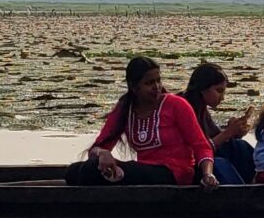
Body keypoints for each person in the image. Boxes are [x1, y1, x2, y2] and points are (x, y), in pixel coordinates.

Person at [69, 57, 216, 186]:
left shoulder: (176, 105)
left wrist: (207, 175)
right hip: (143, 170)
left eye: (158, 81)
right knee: (74, 171)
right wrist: (102, 153)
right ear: (134, 87)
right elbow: (96, 148)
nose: (156, 87)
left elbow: (202, 146)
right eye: (149, 83)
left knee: (90, 171)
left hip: (175, 173)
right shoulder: (125, 108)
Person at [183, 61, 256, 185]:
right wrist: (228, 133)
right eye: (219, 90)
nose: (222, 97)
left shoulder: (202, 109)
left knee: (240, 146)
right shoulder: (184, 108)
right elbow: (201, 148)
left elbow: (215, 139)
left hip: (204, 157)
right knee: (220, 164)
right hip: (191, 162)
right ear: (202, 88)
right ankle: (242, 195)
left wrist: (234, 132)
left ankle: (256, 183)